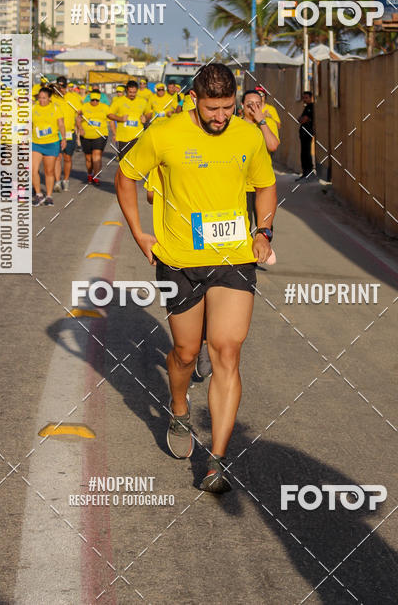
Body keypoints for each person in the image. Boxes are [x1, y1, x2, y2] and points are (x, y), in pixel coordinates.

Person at [115, 63, 277, 494]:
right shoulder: (164, 133)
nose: (221, 116)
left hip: (234, 259)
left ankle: (217, 460)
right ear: (195, 100)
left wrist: (263, 231)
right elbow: (125, 176)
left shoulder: (247, 134)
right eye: (213, 108)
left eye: (228, 107)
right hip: (179, 261)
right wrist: (138, 233)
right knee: (186, 354)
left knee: (226, 351)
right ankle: (179, 407)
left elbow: (265, 185)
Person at [241, 89, 280, 232]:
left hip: (262, 187)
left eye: (258, 104)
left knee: (263, 231)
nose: (254, 108)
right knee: (244, 230)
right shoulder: (236, 126)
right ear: (242, 105)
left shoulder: (268, 123)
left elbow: (273, 145)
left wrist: (261, 121)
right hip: (242, 186)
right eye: (250, 104)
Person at [32, 86, 66, 206]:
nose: (41, 100)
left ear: (49, 98)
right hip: (36, 143)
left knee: (49, 171)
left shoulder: (56, 108)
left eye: (44, 98)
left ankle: (49, 196)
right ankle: (38, 194)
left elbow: (61, 124)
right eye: (40, 98)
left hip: (51, 143)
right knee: (33, 169)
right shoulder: (33, 108)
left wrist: (64, 139)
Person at [108, 80, 150, 160]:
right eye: (130, 92)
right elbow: (109, 114)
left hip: (138, 137)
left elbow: (149, 113)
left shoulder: (142, 101)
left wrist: (146, 117)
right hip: (123, 138)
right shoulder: (119, 101)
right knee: (124, 163)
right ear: (126, 90)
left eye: (134, 92)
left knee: (136, 162)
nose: (132, 94)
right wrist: (120, 118)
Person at [77, 91, 111, 184]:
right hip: (86, 136)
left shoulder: (105, 107)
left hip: (100, 135)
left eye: (97, 100)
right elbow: (78, 118)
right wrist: (80, 128)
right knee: (88, 158)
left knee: (97, 155)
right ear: (90, 99)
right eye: (93, 100)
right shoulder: (84, 106)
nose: (95, 102)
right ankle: (90, 174)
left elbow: (110, 118)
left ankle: (96, 177)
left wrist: (115, 131)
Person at [52, 78, 78, 192]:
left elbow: (79, 114)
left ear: (66, 87)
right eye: (59, 87)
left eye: (62, 87)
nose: (61, 89)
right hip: (55, 132)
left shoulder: (73, 98)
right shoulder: (52, 98)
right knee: (57, 157)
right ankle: (57, 181)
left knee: (67, 158)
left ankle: (65, 180)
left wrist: (79, 127)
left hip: (69, 132)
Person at [297, 90, 315, 181]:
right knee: (304, 152)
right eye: (304, 97)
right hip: (303, 133)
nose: (304, 99)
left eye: (306, 97)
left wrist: (301, 119)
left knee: (306, 152)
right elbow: (300, 119)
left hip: (307, 133)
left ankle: (308, 171)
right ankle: (305, 172)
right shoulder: (307, 107)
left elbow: (303, 119)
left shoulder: (311, 107)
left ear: (311, 98)